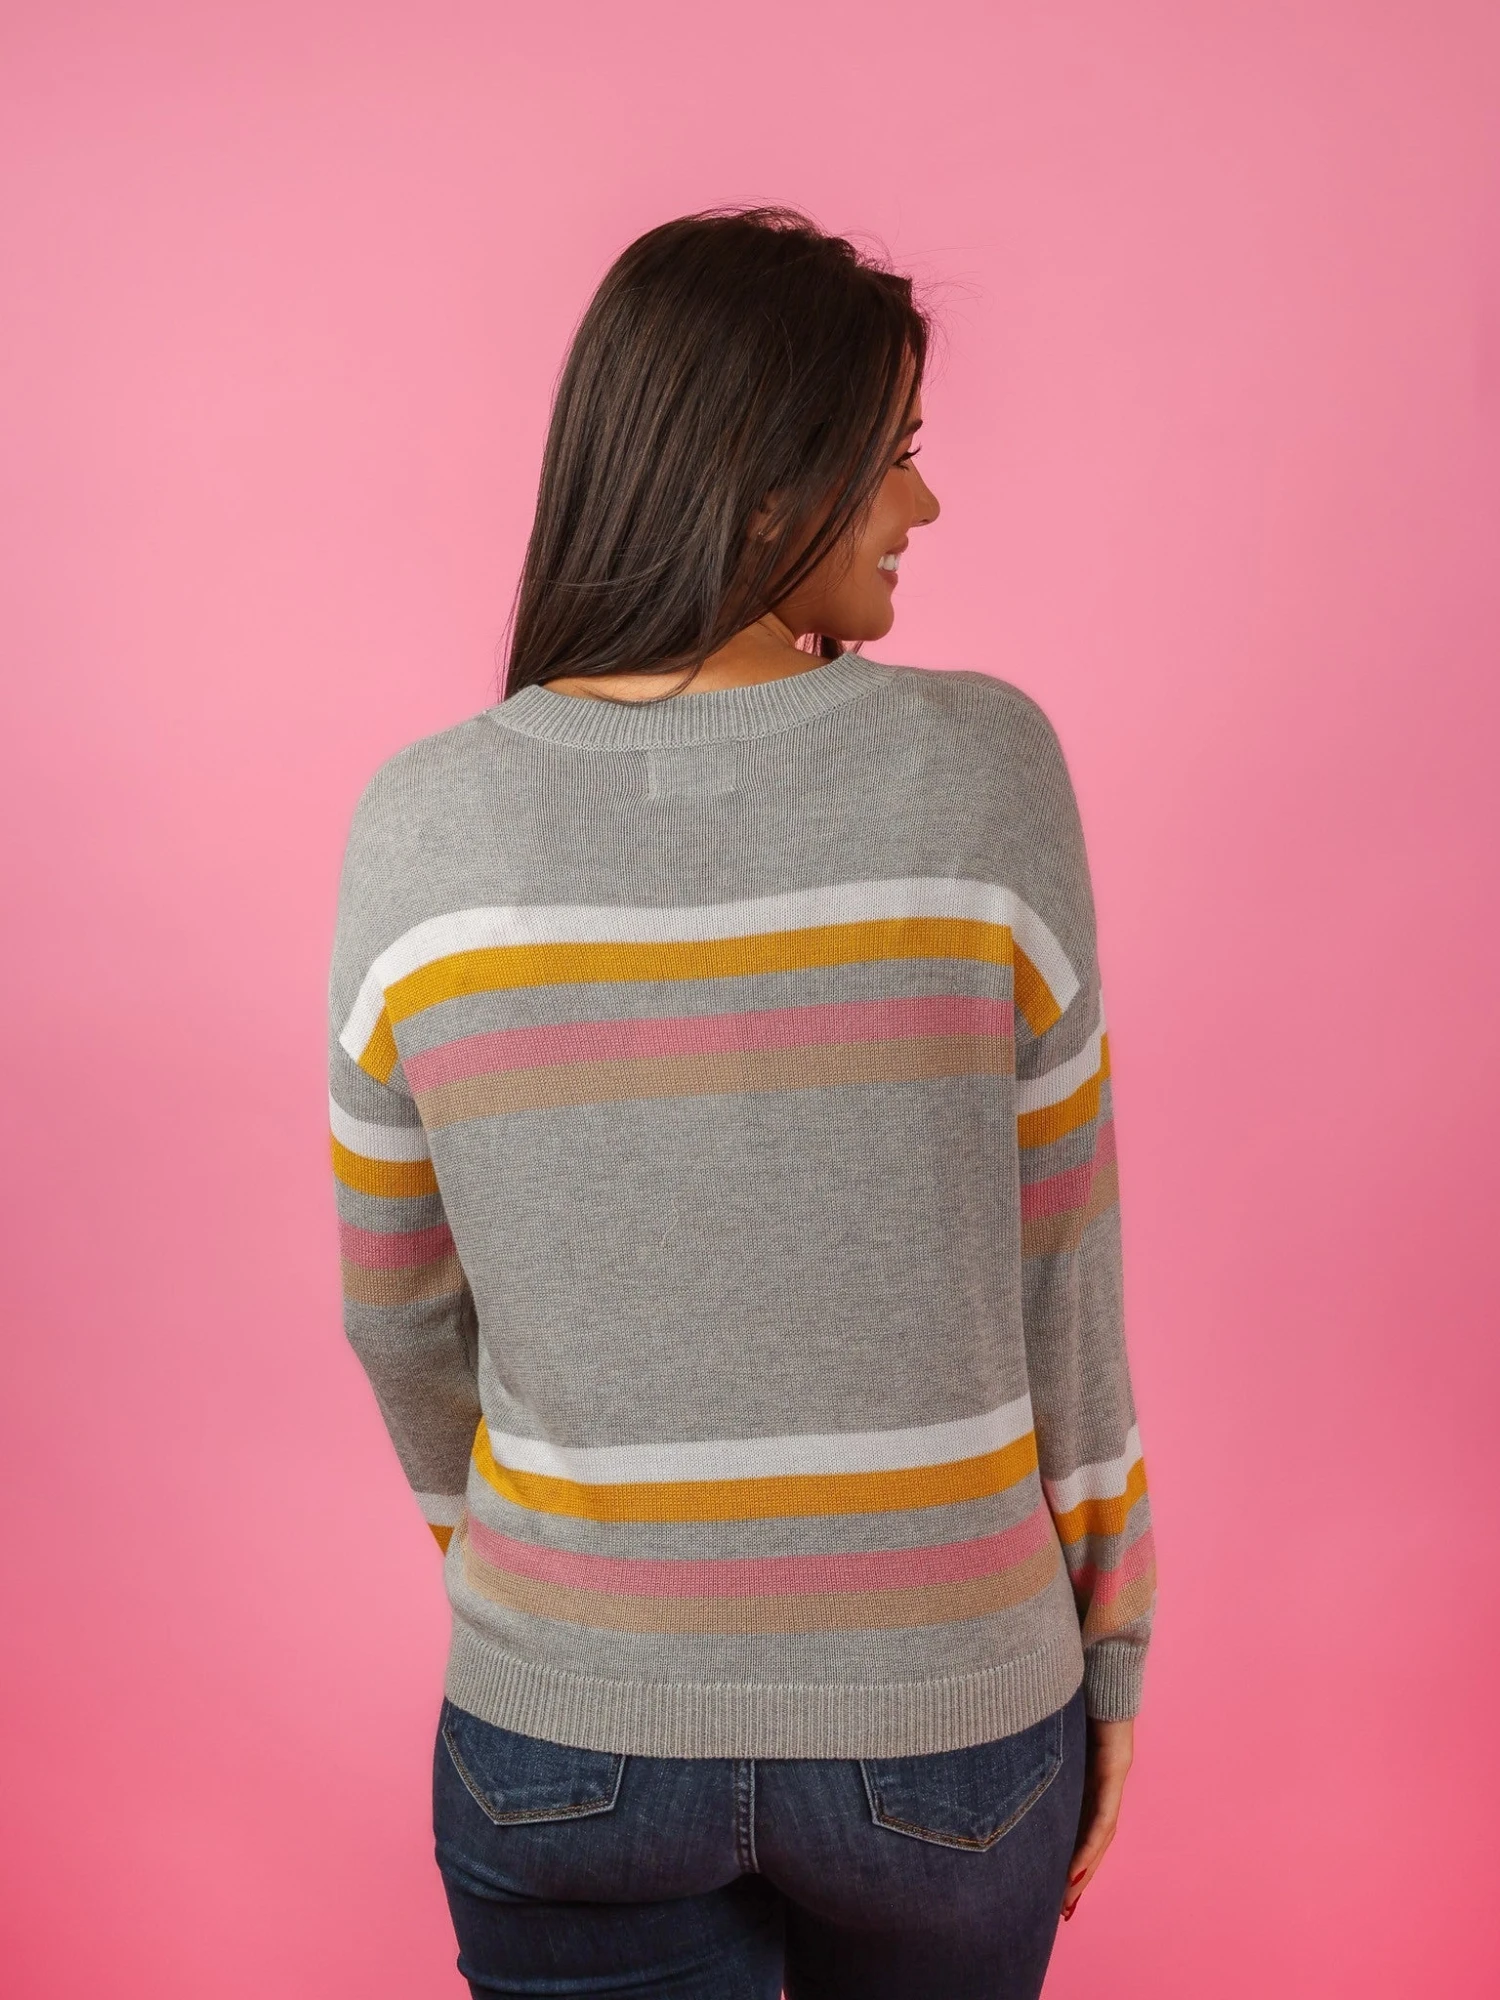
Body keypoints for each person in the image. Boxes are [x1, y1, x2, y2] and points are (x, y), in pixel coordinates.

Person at [327, 206, 1155, 2000]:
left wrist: (543, 1595)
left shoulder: (418, 824)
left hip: (564, 1725)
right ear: (767, 481)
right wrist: (1111, 1652)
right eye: (894, 451)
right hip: (950, 1715)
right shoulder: (984, 770)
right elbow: (1063, 1269)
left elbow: (394, 1313)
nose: (922, 502)